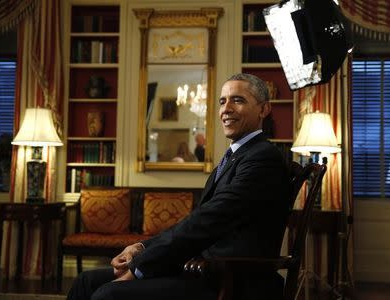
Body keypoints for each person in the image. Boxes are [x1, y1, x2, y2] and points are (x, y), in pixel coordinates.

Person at [67, 73, 291, 300]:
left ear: (263, 109)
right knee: (86, 281)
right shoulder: (236, 156)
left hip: (229, 281)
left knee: (108, 294)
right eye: (223, 101)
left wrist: (140, 267)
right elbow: (197, 221)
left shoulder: (262, 158)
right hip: (200, 268)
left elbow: (207, 222)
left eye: (238, 100)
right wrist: (141, 247)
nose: (226, 108)